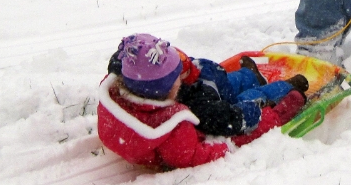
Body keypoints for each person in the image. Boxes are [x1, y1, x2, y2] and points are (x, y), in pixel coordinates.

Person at [98, 33, 307, 168]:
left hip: (209, 90)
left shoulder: (121, 90)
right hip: (221, 111)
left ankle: (251, 76)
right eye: (177, 77)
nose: (182, 77)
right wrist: (265, 117)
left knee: (219, 81)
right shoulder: (176, 131)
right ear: (166, 90)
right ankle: (288, 87)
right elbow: (200, 154)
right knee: (249, 100)